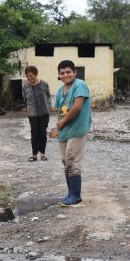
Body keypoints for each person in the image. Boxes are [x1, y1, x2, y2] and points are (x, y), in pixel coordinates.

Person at [49, 59, 91, 206]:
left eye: (68, 72)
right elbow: (61, 112)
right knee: (65, 161)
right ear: (59, 75)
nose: (65, 75)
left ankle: (76, 196)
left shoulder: (80, 85)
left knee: (72, 159)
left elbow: (77, 107)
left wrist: (62, 122)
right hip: (65, 131)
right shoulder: (60, 91)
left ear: (74, 72)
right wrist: (58, 127)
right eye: (62, 73)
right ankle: (70, 193)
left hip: (77, 129)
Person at [22, 65, 52, 162]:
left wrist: (48, 107)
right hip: (32, 114)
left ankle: (43, 154)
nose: (29, 78)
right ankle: (34, 155)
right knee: (34, 133)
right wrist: (28, 108)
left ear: (36, 74)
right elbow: (25, 99)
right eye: (27, 76)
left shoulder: (44, 84)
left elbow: (48, 96)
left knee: (42, 133)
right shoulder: (25, 87)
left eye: (31, 75)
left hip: (44, 113)